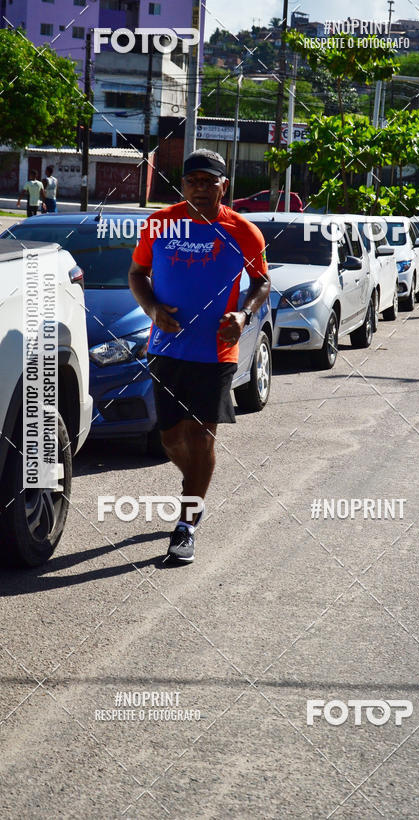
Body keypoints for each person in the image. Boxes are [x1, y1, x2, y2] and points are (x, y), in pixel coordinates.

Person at [128, 149, 270, 564]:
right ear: (183, 184)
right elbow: (137, 275)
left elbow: (262, 282)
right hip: (166, 346)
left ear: (224, 186)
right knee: (170, 436)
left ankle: (186, 524)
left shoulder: (243, 231)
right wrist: (152, 309)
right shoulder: (160, 222)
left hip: (216, 350)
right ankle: (197, 487)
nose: (202, 189)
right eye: (194, 181)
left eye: (211, 182)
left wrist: (243, 316)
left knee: (202, 433)